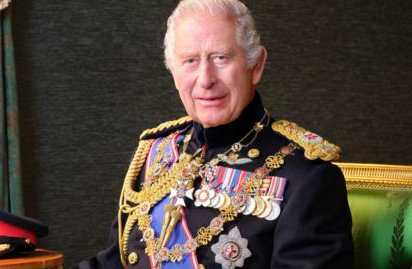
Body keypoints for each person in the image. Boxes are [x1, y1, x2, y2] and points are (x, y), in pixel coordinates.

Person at [74, 0, 353, 268]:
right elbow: (115, 261)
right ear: (173, 72)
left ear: (256, 66)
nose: (205, 79)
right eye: (190, 61)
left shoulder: (307, 178)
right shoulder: (156, 153)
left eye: (220, 57)